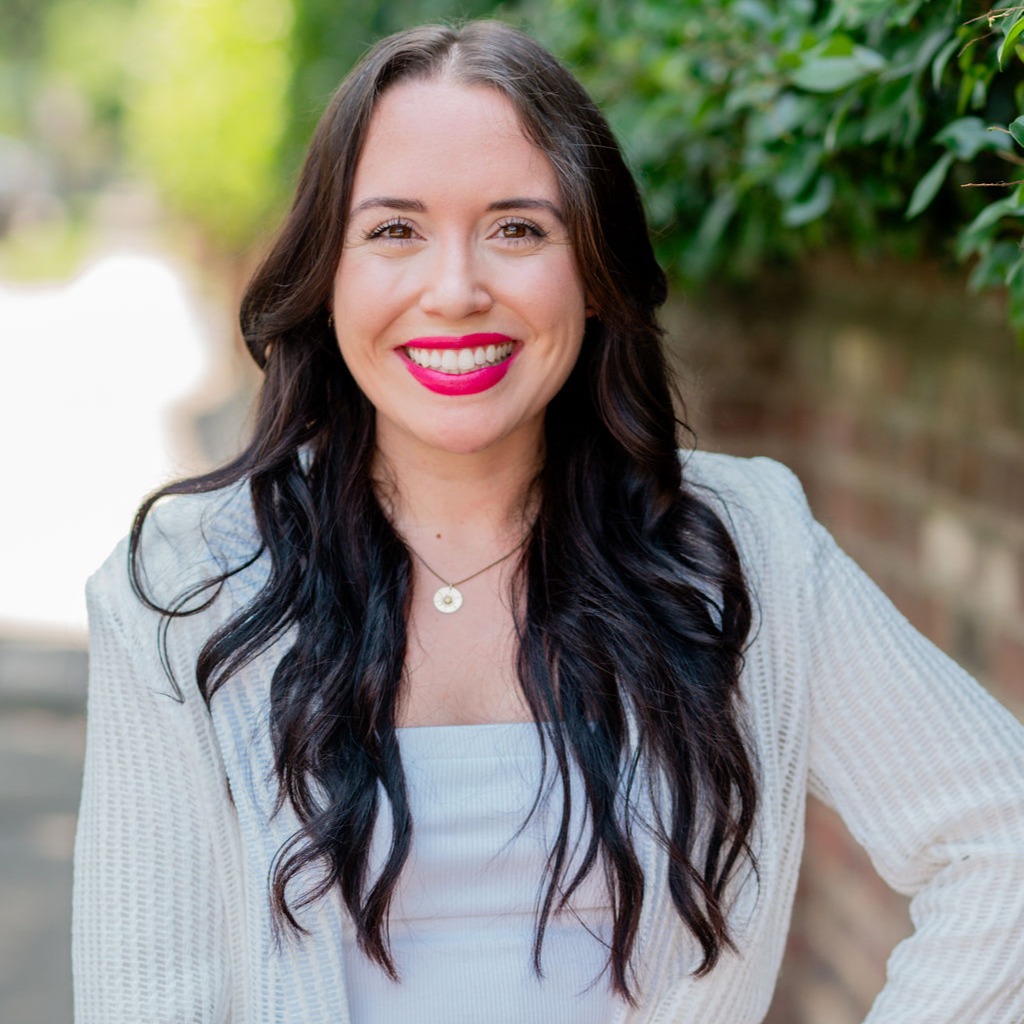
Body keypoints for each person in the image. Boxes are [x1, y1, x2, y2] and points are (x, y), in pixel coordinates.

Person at [72, 19, 1024, 1024]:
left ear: (592, 269)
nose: (455, 291)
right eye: (395, 229)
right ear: (328, 272)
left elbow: (1000, 839)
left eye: (518, 228)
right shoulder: (186, 585)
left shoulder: (741, 552)